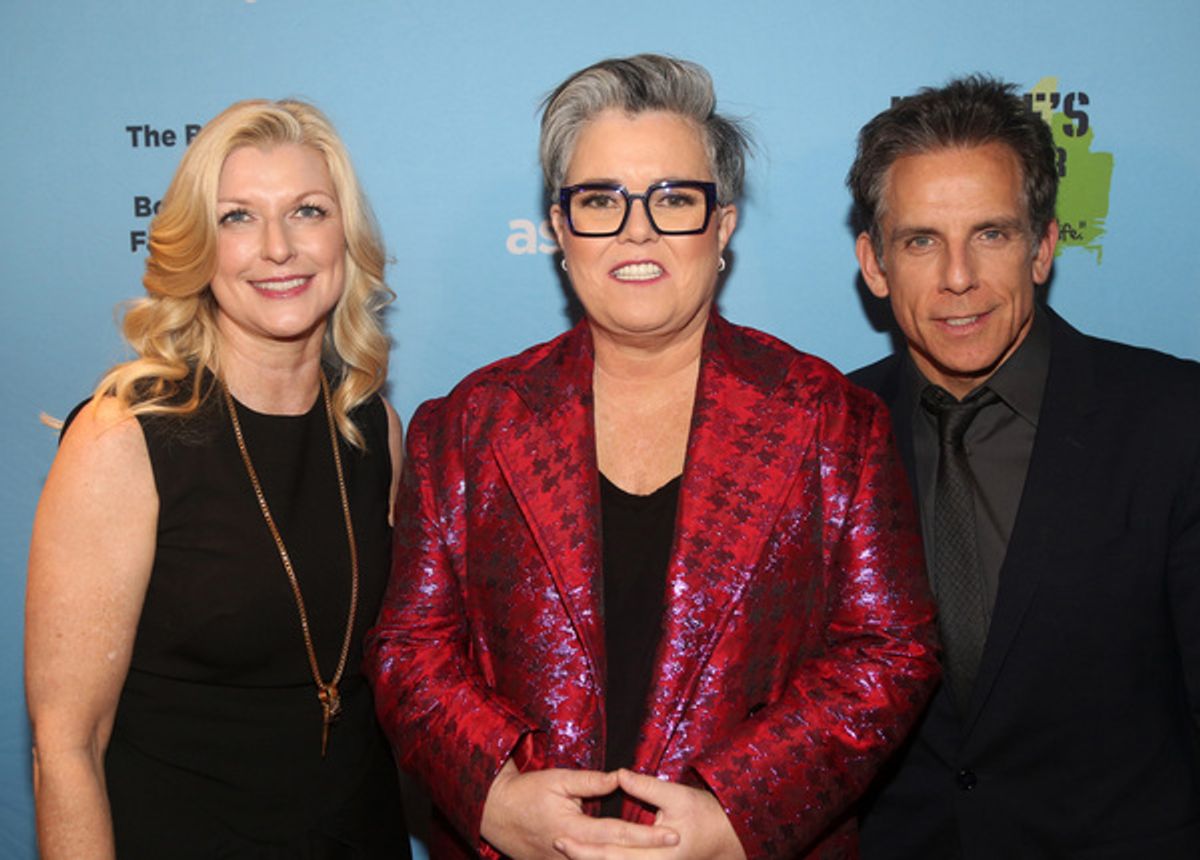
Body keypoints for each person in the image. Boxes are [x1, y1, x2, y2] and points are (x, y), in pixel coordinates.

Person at [366, 54, 939, 860]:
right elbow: (410, 648)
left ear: (723, 226)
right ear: (561, 228)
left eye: (673, 198)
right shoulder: (466, 426)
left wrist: (738, 813)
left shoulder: (832, 423)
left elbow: (890, 649)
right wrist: (495, 797)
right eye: (601, 200)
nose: (637, 229)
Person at [26, 99, 410, 859]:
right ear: (198, 247)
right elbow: (67, 747)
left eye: (307, 210)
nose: (278, 247)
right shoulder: (125, 438)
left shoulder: (374, 429)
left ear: (346, 237)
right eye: (238, 217)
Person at [847, 75, 1200, 858]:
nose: (959, 278)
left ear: (1043, 247)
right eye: (920, 241)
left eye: (992, 234)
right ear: (874, 264)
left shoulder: (1177, 421)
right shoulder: (823, 436)